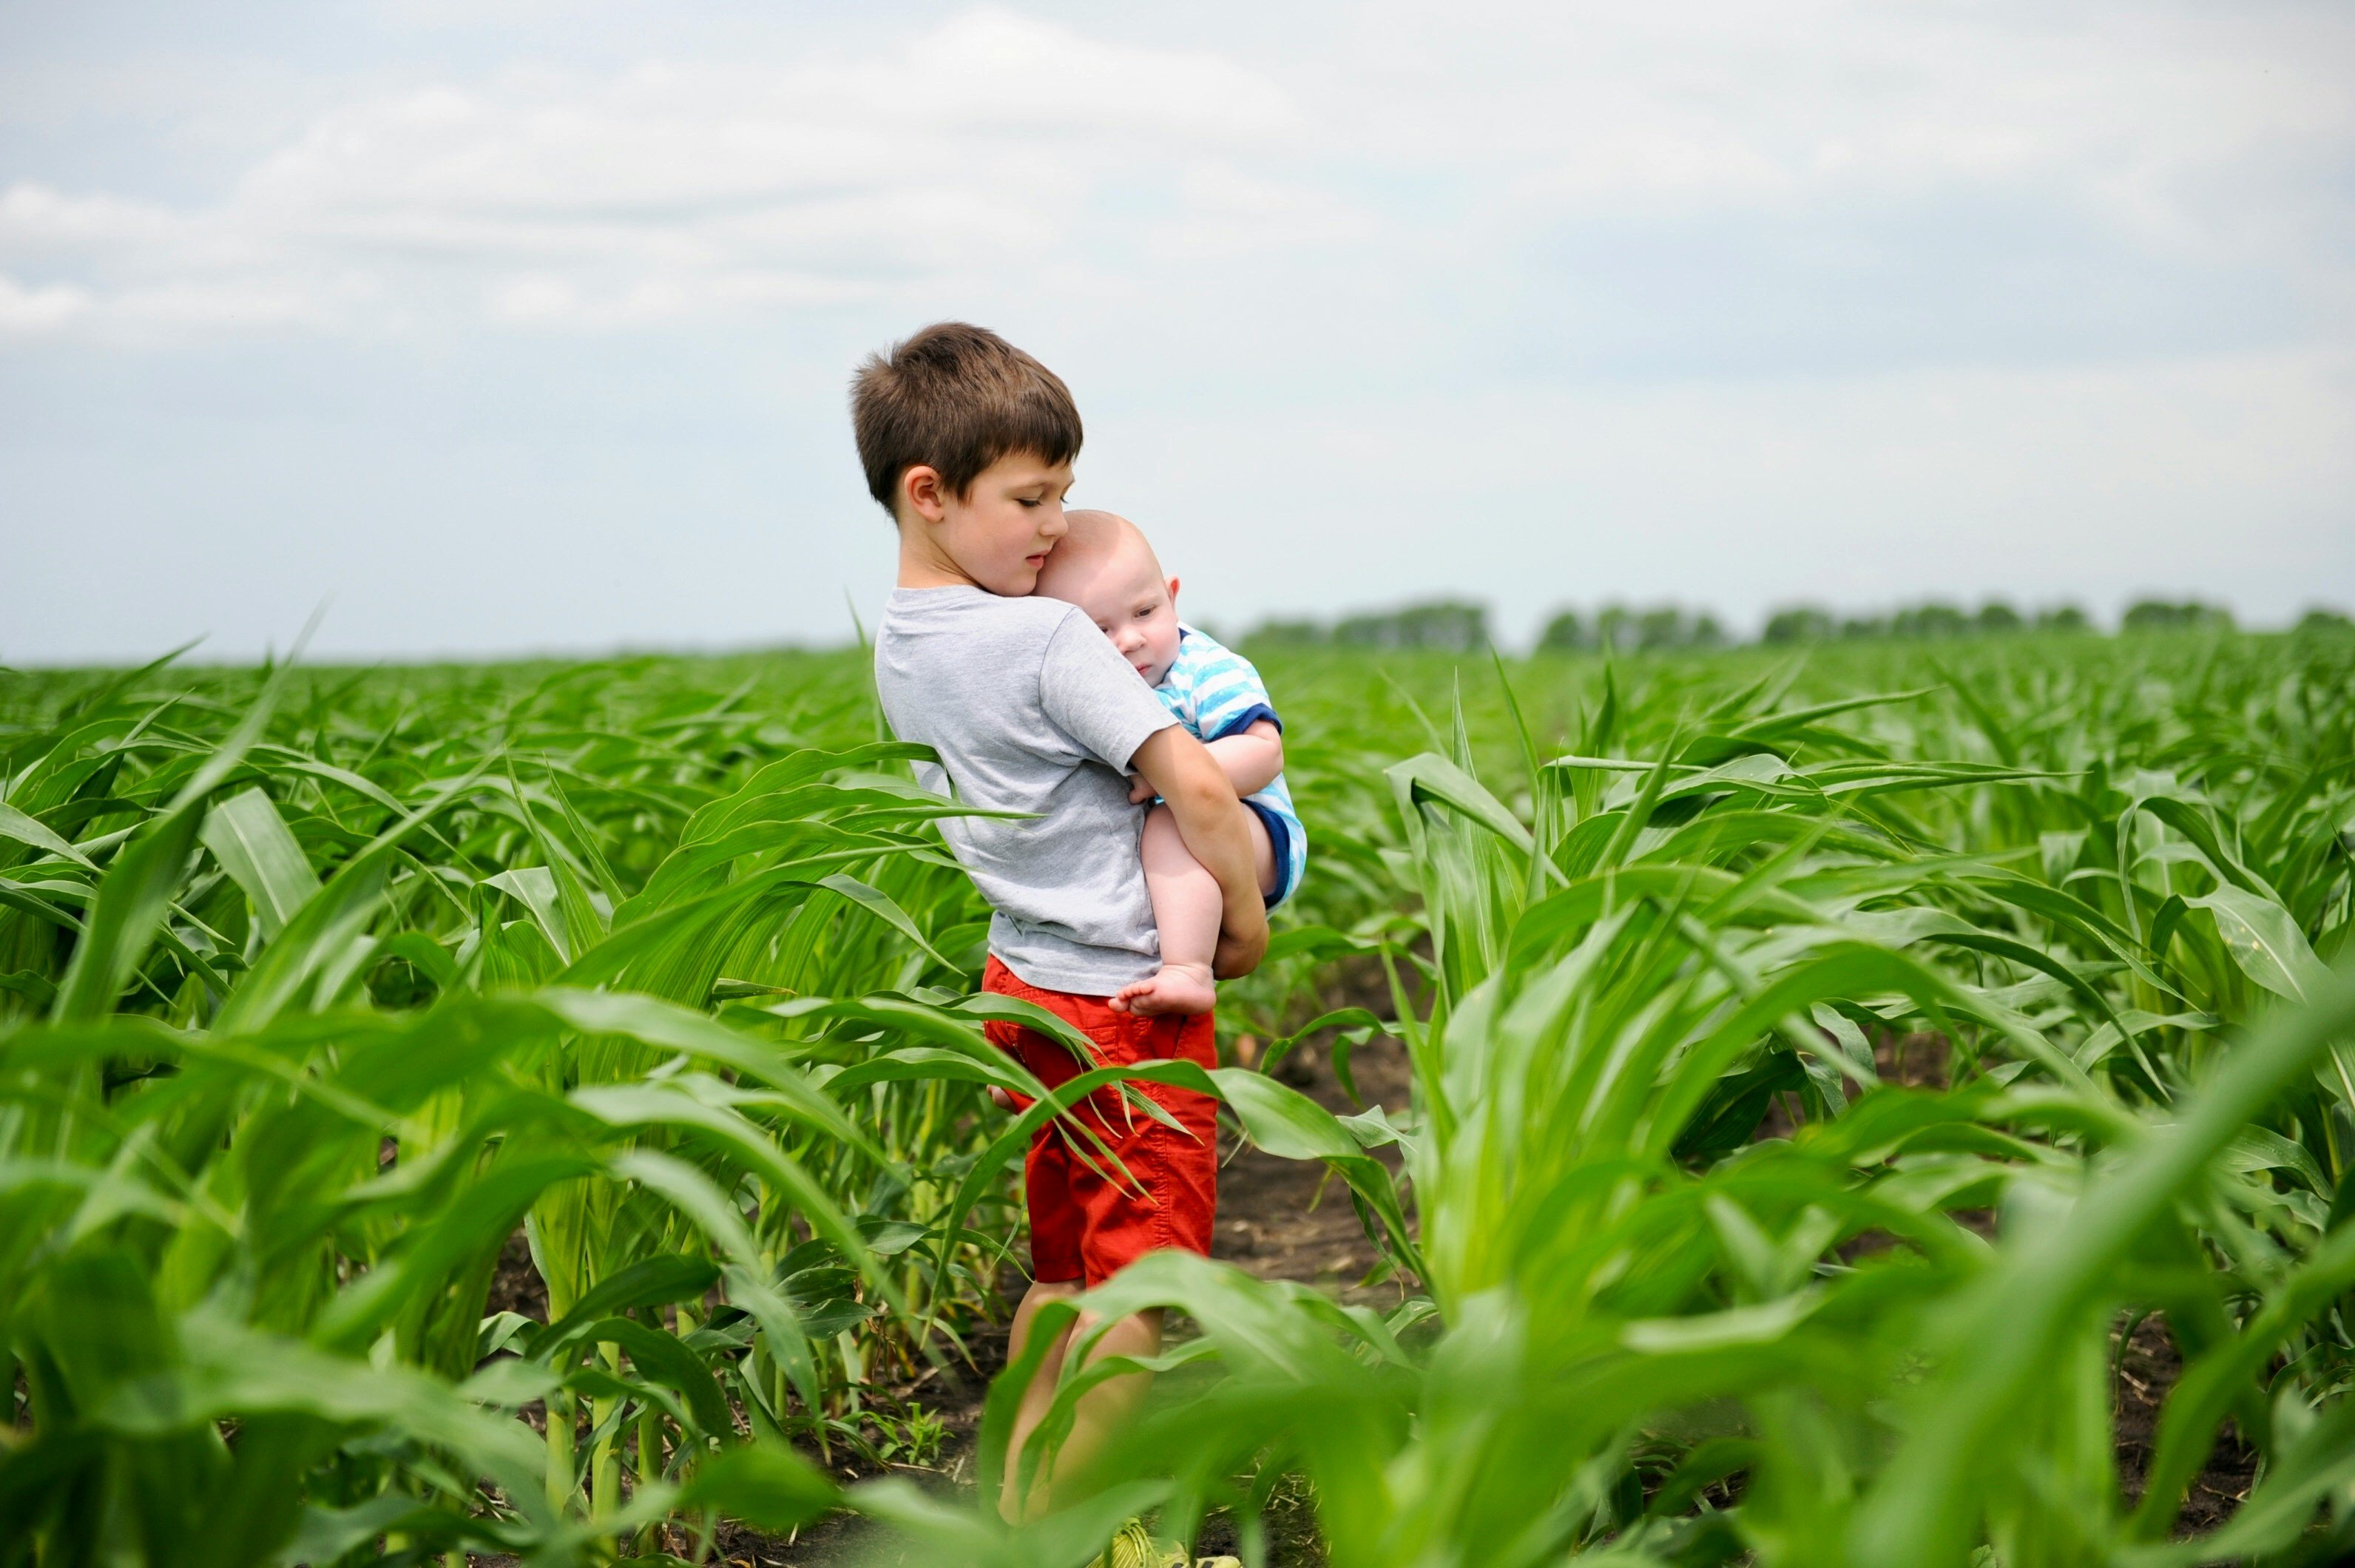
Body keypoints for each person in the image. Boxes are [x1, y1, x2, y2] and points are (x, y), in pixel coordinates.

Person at [854, 322, 1268, 1533]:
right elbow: (1191, 781)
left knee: (1059, 1273)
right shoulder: (1047, 637)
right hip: (1124, 1002)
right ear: (928, 495)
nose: (1053, 531)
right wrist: (1239, 920)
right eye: (1029, 500)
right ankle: (1072, 1539)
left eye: (1063, 497)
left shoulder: (899, 644)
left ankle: (1017, 1505)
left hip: (1019, 990)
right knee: (1136, 1287)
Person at [1033, 510, 1306, 1016]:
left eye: (1144, 613)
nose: (1130, 639)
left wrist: (1172, 778)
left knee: (1165, 820)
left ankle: (1190, 971)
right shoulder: (1087, 694)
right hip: (1177, 856)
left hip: (1258, 834)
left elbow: (1264, 752)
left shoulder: (1203, 668)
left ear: (1172, 596)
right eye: (1100, 631)